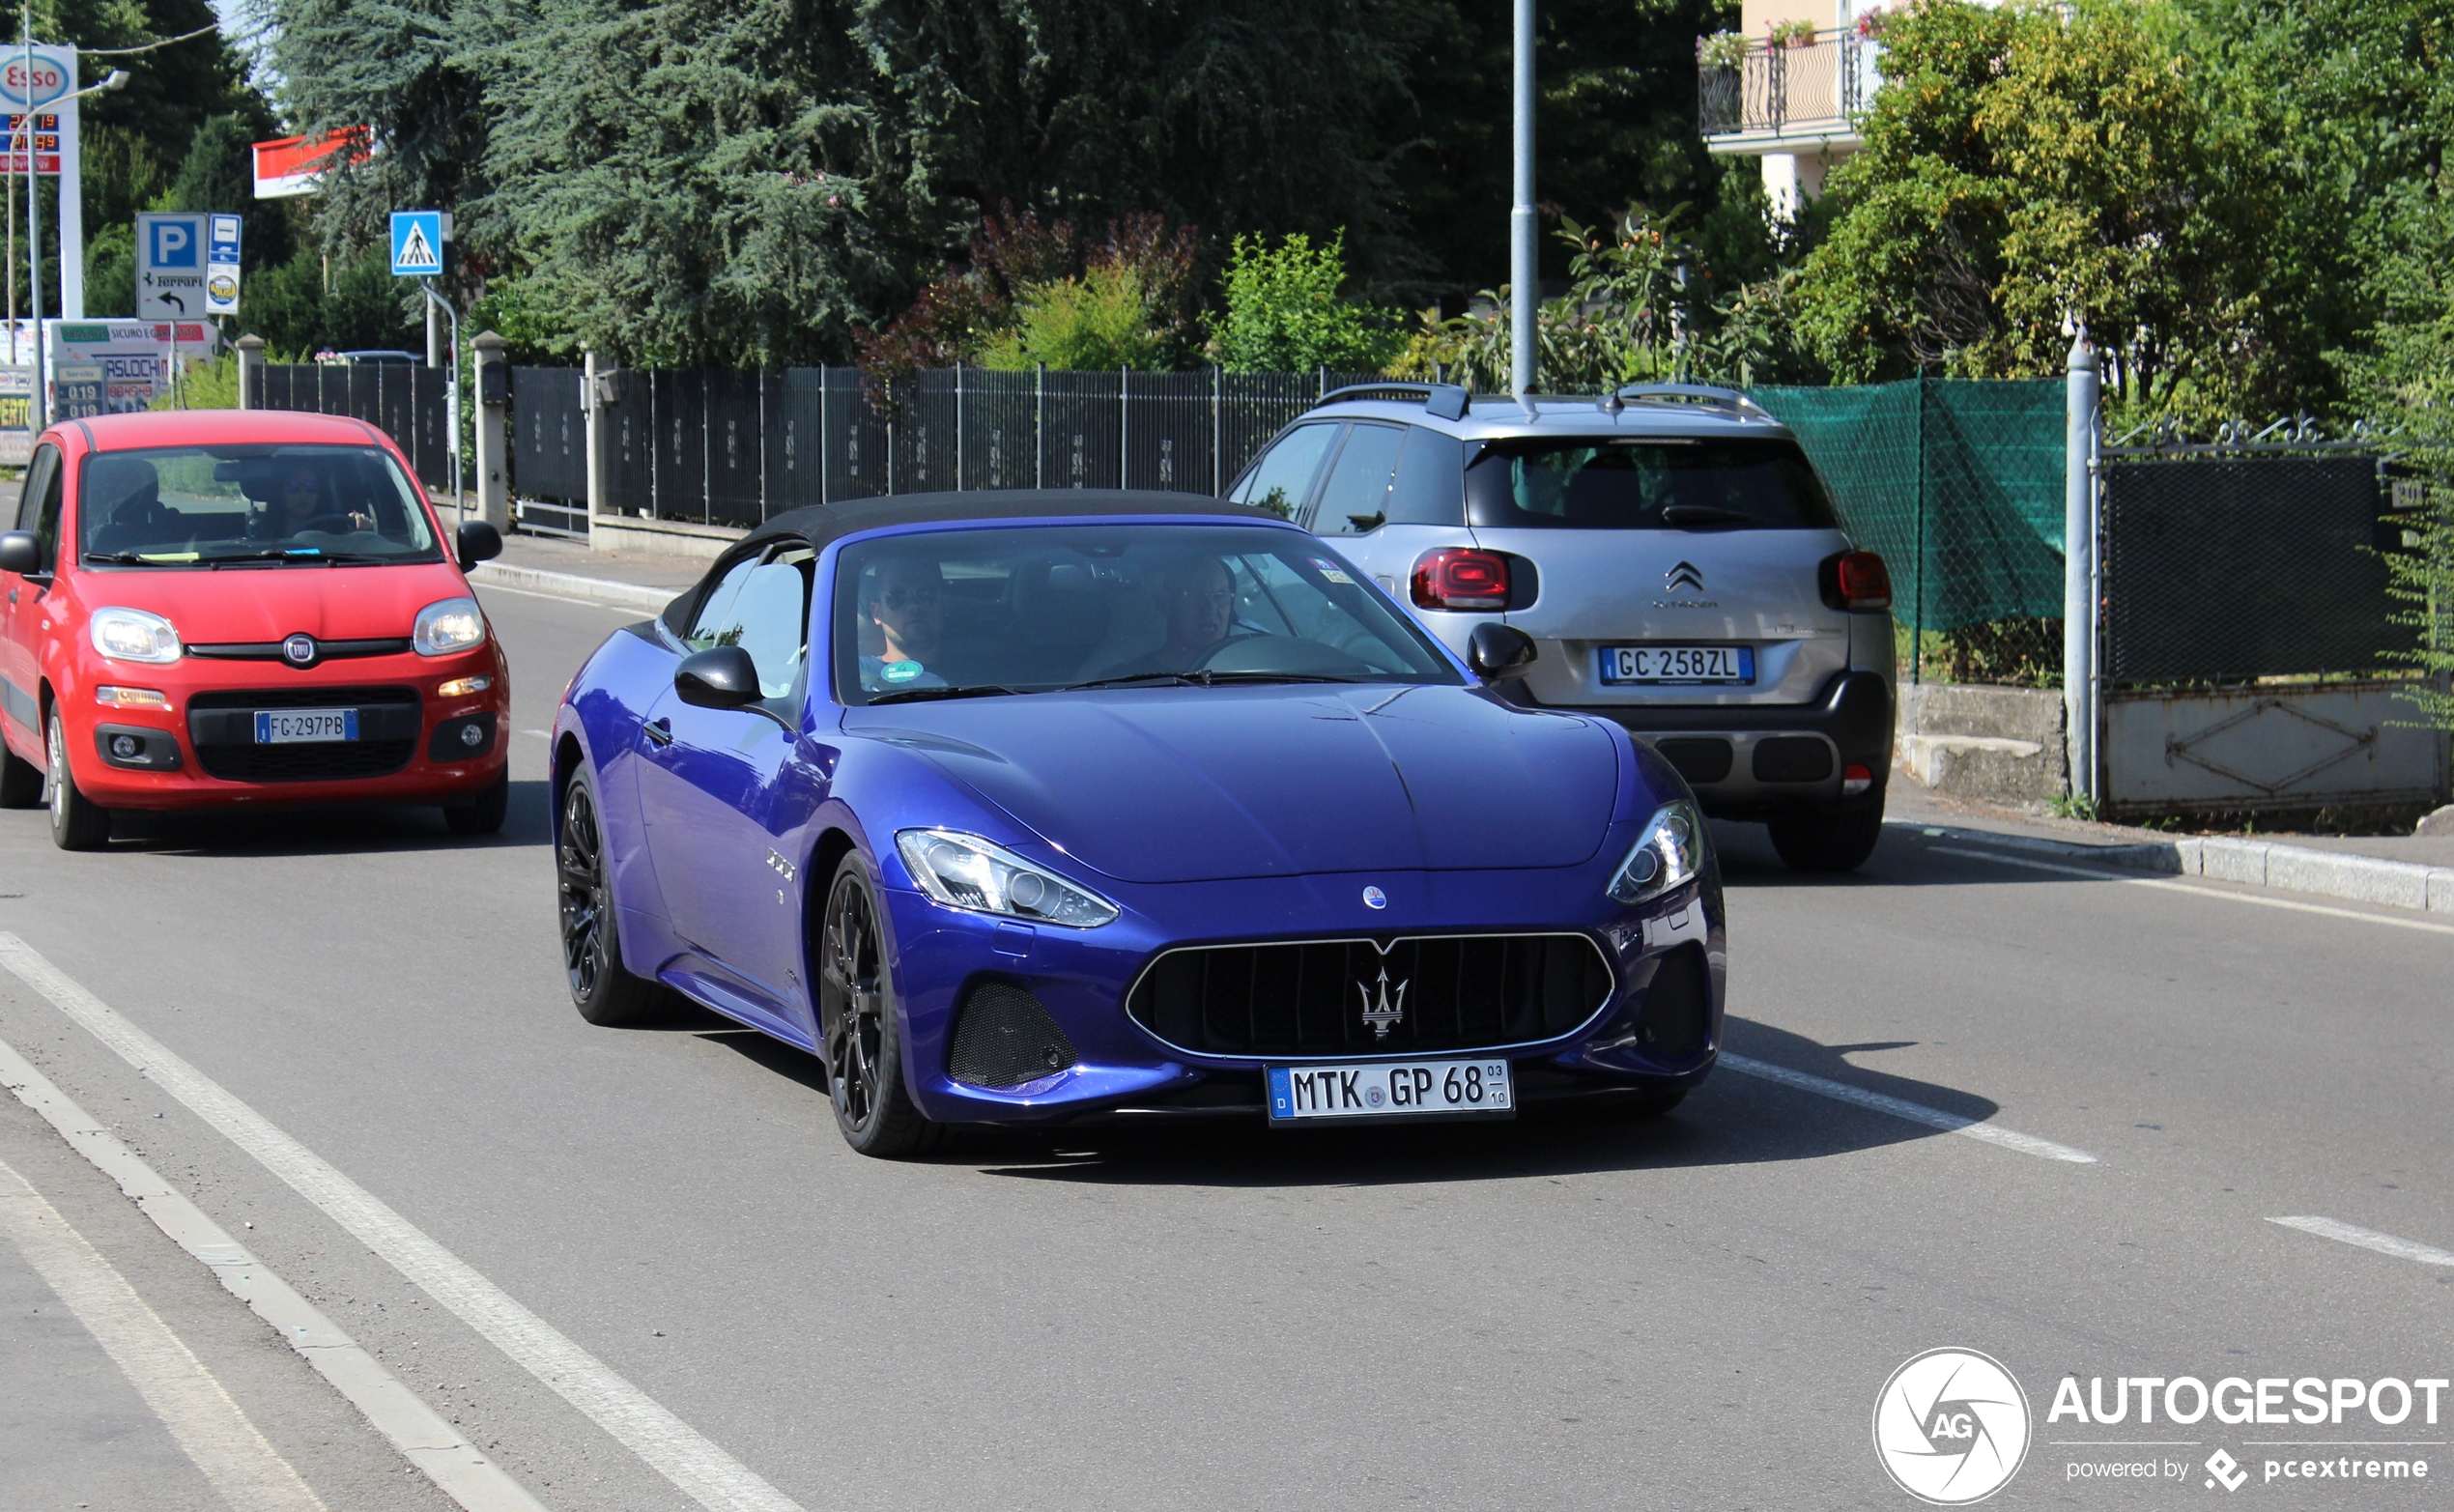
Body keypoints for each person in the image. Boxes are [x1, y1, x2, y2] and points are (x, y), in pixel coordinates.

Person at [859, 557, 951, 692]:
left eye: (926, 594)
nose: (913, 606)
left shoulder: (981, 671)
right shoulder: (852, 677)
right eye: (897, 597)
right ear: (876, 613)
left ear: (946, 605)